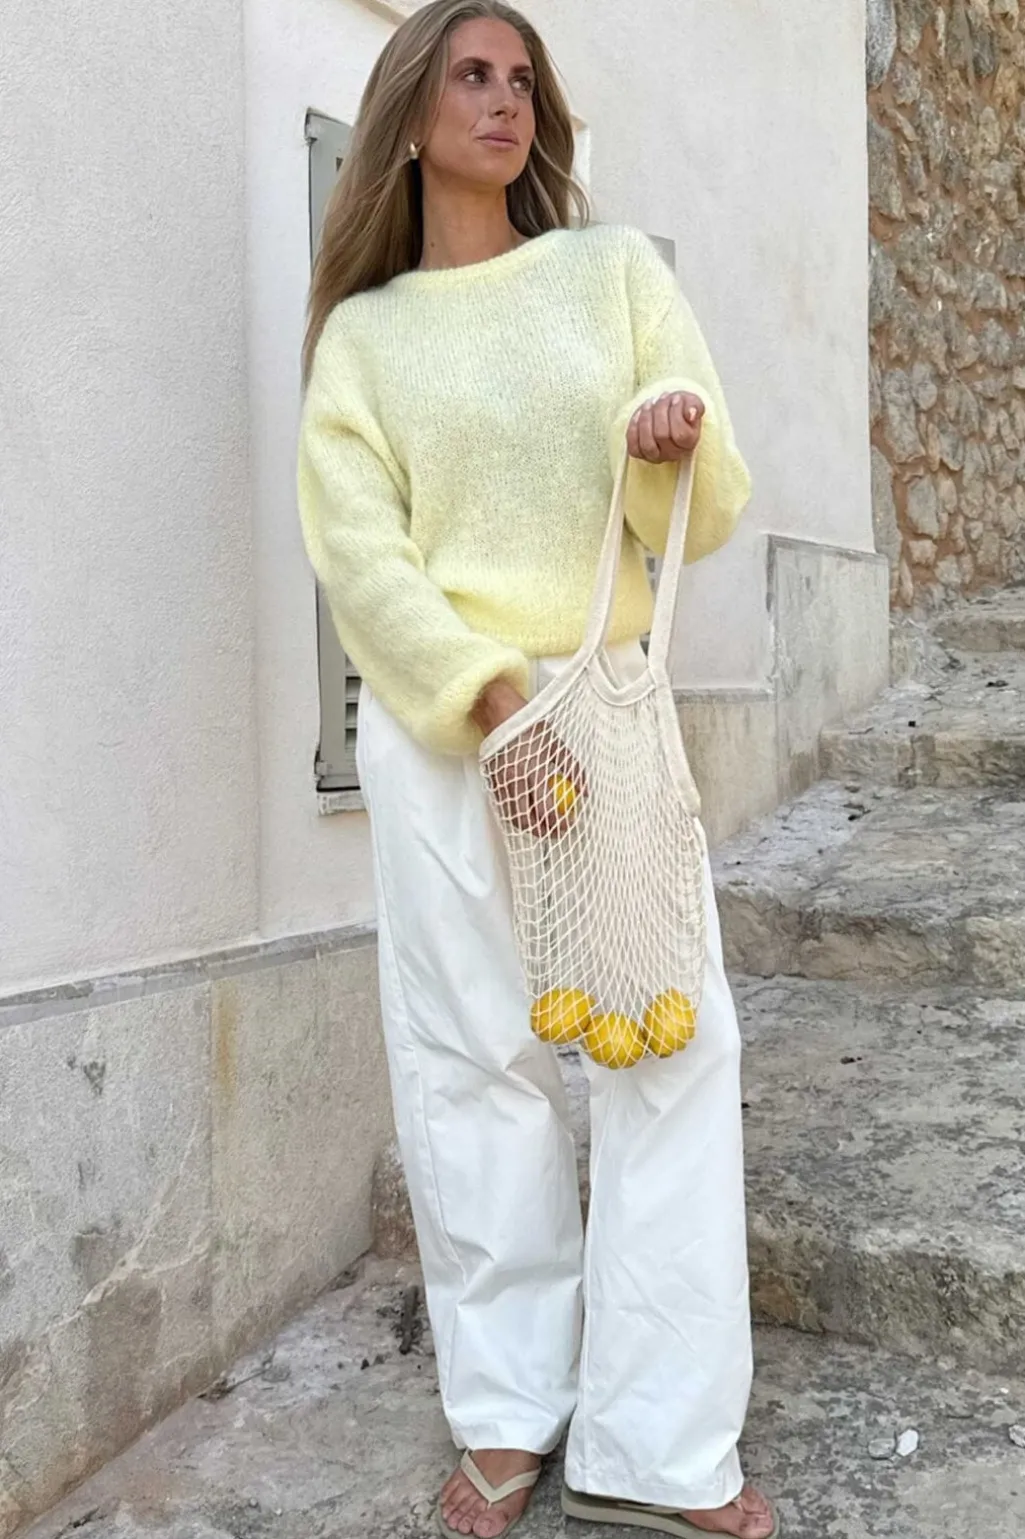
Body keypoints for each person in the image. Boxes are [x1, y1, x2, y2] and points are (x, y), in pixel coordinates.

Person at [297, 4, 776, 1536]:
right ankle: (508, 1412)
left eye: (522, 81)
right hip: (451, 734)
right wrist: (489, 706)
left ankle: (662, 1445)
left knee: (675, 1050)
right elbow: (361, 556)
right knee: (471, 1060)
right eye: (471, 76)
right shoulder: (365, 341)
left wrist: (665, 445)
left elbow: (703, 509)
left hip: (605, 711)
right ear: (410, 114)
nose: (503, 102)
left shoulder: (613, 272)